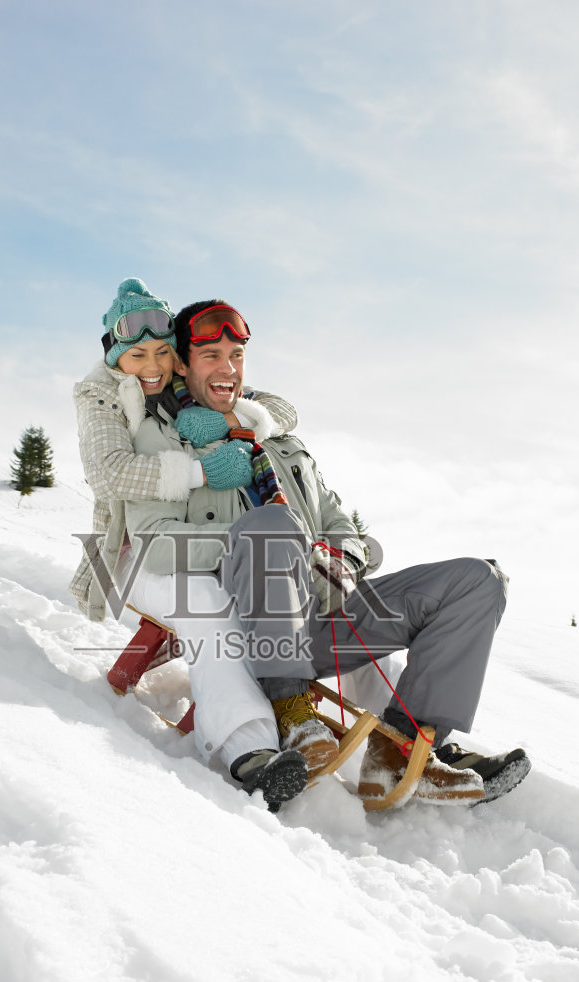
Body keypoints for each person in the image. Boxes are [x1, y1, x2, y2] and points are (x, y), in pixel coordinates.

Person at [121, 299, 530, 808]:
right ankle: (292, 716)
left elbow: (341, 526)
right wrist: (269, 541)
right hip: (252, 628)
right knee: (274, 523)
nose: (227, 368)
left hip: (320, 615)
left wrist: (342, 559)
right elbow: (153, 541)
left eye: (236, 354)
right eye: (210, 355)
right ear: (181, 362)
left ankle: (407, 747)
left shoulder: (278, 441)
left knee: (478, 580)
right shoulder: (160, 437)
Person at [70, 280, 313, 809]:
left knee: (260, 593)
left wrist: (238, 417)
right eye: (137, 354)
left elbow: (279, 407)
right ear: (115, 355)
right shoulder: (101, 397)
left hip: (193, 545)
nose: (151, 365)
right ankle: (246, 748)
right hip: (131, 551)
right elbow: (110, 474)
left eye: (163, 352)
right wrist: (200, 472)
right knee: (207, 604)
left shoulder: (186, 399)